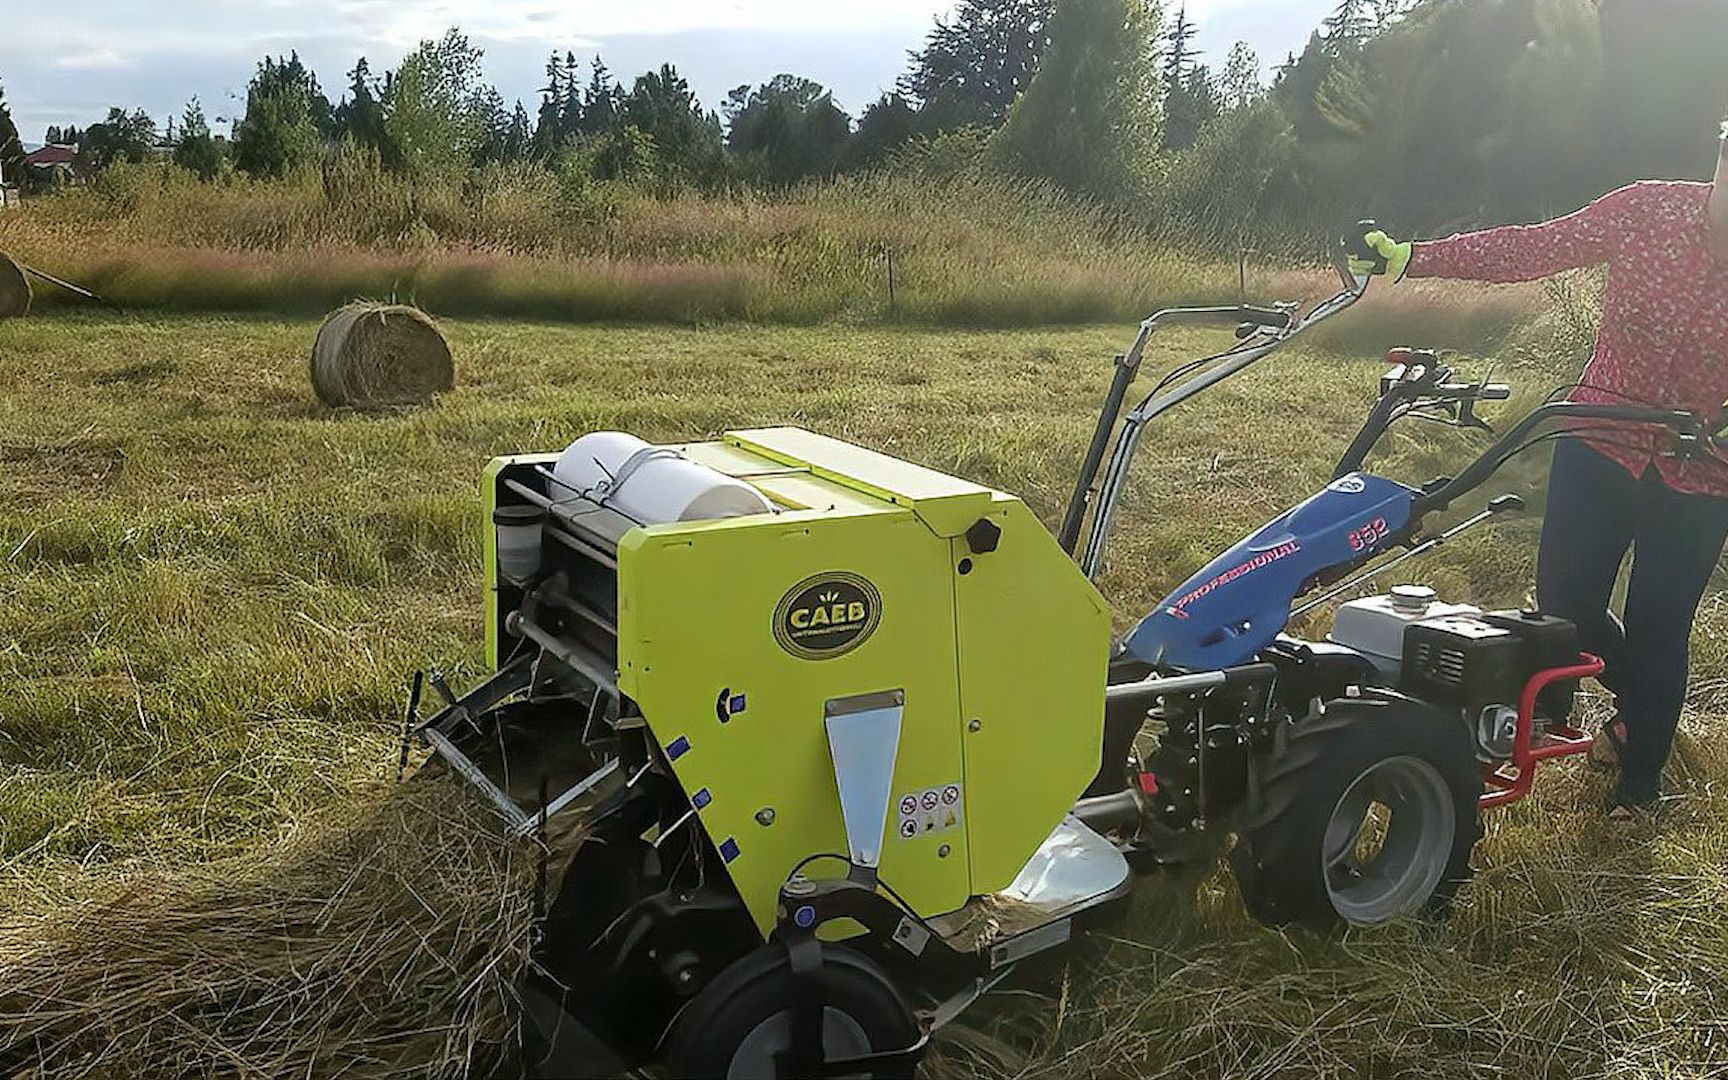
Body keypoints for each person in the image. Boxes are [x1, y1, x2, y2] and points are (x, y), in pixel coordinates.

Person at [1352, 116, 1728, 819]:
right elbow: (1533, 248)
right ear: (1721, 160)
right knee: (1569, 605)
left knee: (1660, 624)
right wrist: (1414, 257)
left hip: (1701, 470)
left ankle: (1641, 783)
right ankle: (1638, 702)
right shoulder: (1648, 210)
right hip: (1601, 436)